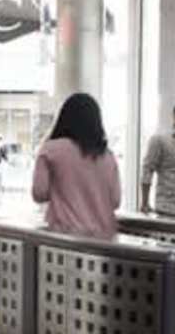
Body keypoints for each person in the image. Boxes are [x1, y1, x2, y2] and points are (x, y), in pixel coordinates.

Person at [31, 93, 121, 239]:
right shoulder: (107, 156)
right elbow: (115, 201)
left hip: (66, 241)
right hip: (104, 241)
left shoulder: (50, 150)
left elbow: (39, 193)